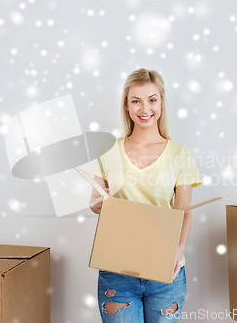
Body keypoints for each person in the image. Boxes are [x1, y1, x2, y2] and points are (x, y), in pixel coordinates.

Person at [89, 68, 201, 322]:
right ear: (127, 106)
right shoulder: (108, 150)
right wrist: (98, 205)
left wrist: (177, 252)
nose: (144, 108)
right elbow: (94, 201)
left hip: (165, 270)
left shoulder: (180, 153)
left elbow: (183, 212)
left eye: (152, 99)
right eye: (136, 101)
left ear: (161, 103)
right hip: (117, 268)